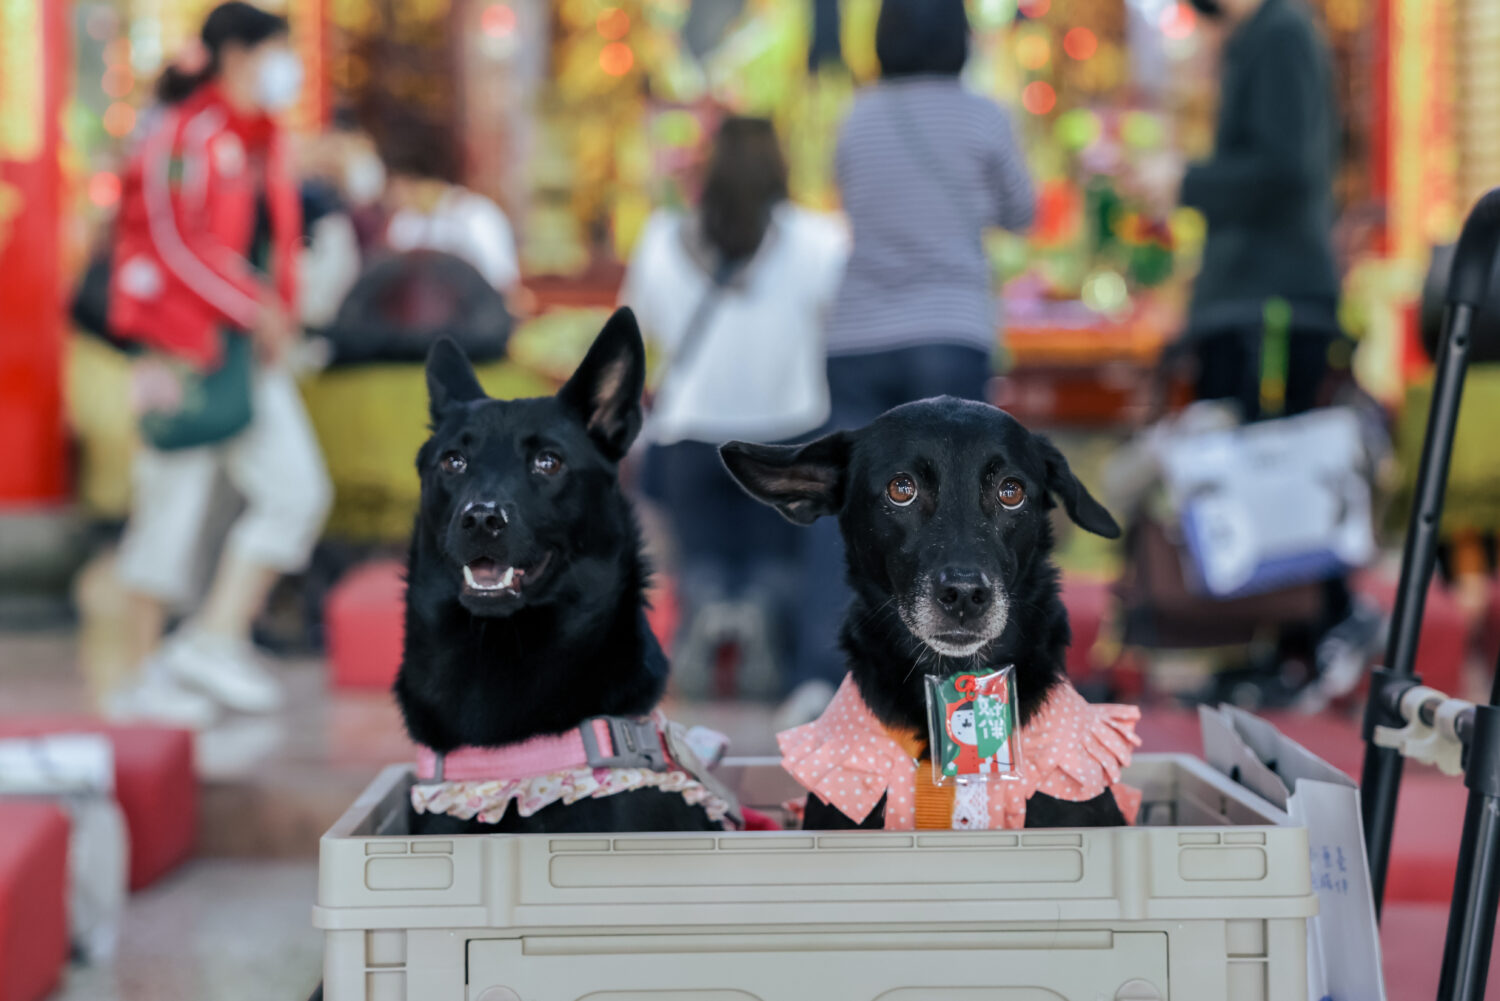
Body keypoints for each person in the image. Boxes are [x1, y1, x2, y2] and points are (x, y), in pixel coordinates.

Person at [786, 0, 1035, 726]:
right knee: (963, 516)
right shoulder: (983, 116)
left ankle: (818, 672)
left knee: (853, 504)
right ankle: (957, 687)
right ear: (960, 36)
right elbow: (1020, 210)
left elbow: (848, 197)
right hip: (948, 332)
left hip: (859, 334)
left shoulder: (858, 118)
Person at [106, 2, 332, 727]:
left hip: (247, 353)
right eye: (275, 53)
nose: (284, 70)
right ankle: (137, 676)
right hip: (183, 347)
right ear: (238, 55)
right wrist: (254, 304)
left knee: (297, 490)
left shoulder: (262, 140)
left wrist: (273, 310)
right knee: (168, 507)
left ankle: (212, 638)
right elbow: (172, 242)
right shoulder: (183, 133)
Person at [1151, 0, 1379, 704]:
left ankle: (1322, 629)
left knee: (1280, 469)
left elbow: (1284, 171)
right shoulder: (1269, 34)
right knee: (1262, 474)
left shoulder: (1281, 33)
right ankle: (1285, 642)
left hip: (1273, 298)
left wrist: (1183, 182)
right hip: (1255, 297)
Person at [621, 116, 848, 698]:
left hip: (689, 434)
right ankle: (760, 629)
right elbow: (839, 332)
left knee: (701, 561)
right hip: (789, 433)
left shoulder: (660, 238)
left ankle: (709, 615)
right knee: (776, 566)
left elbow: (634, 330)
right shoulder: (820, 241)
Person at [380, 121, 523, 299]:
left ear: (407, 181)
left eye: (391, 185)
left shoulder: (476, 217)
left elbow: (502, 281)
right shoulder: (404, 224)